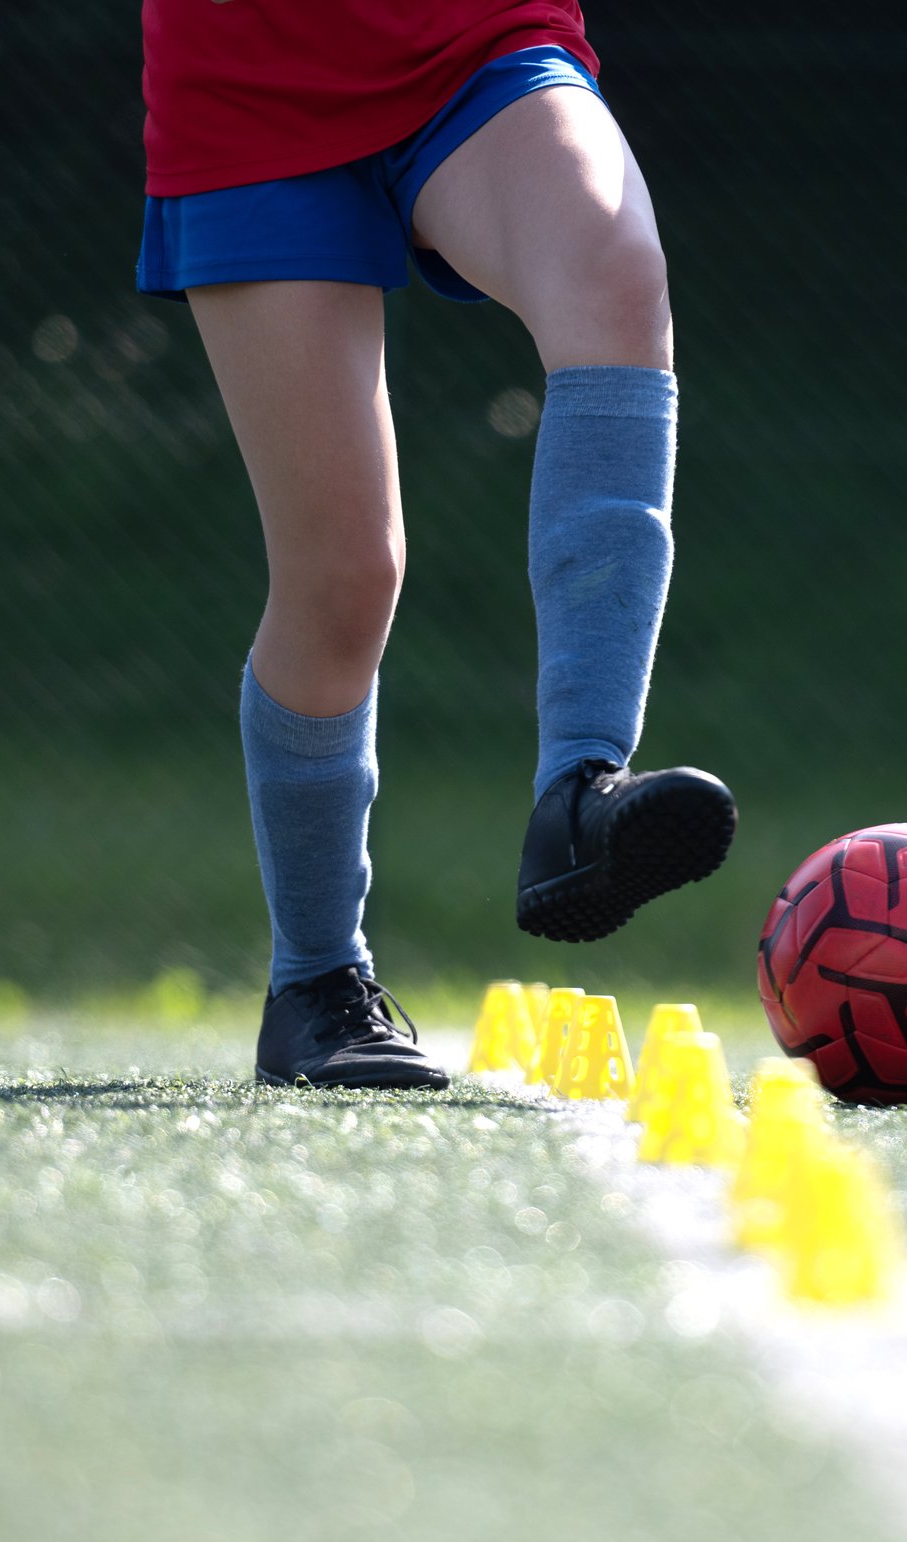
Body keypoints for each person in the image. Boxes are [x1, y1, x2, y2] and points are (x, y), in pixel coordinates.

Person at [138, 2, 735, 1090]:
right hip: (251, 66)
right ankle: (316, 981)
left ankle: (581, 794)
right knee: (344, 578)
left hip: (474, 38)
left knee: (614, 273)